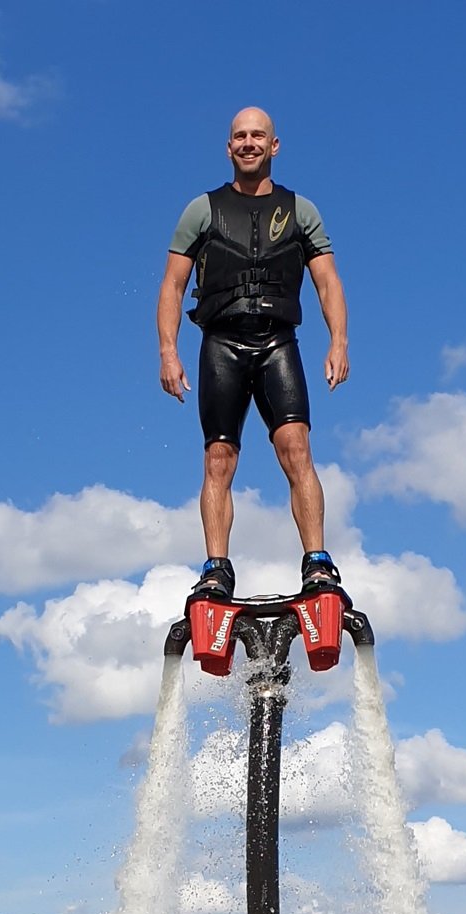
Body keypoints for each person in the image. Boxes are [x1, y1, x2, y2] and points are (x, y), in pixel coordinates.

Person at [157, 106, 350, 602]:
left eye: (258, 136)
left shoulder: (301, 210)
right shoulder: (202, 210)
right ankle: (216, 569)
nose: (249, 143)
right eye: (240, 136)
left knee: (296, 448)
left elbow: (327, 281)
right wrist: (168, 351)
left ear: (274, 145)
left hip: (277, 342)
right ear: (229, 147)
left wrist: (339, 341)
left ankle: (317, 563)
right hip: (221, 343)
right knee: (218, 458)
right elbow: (173, 284)